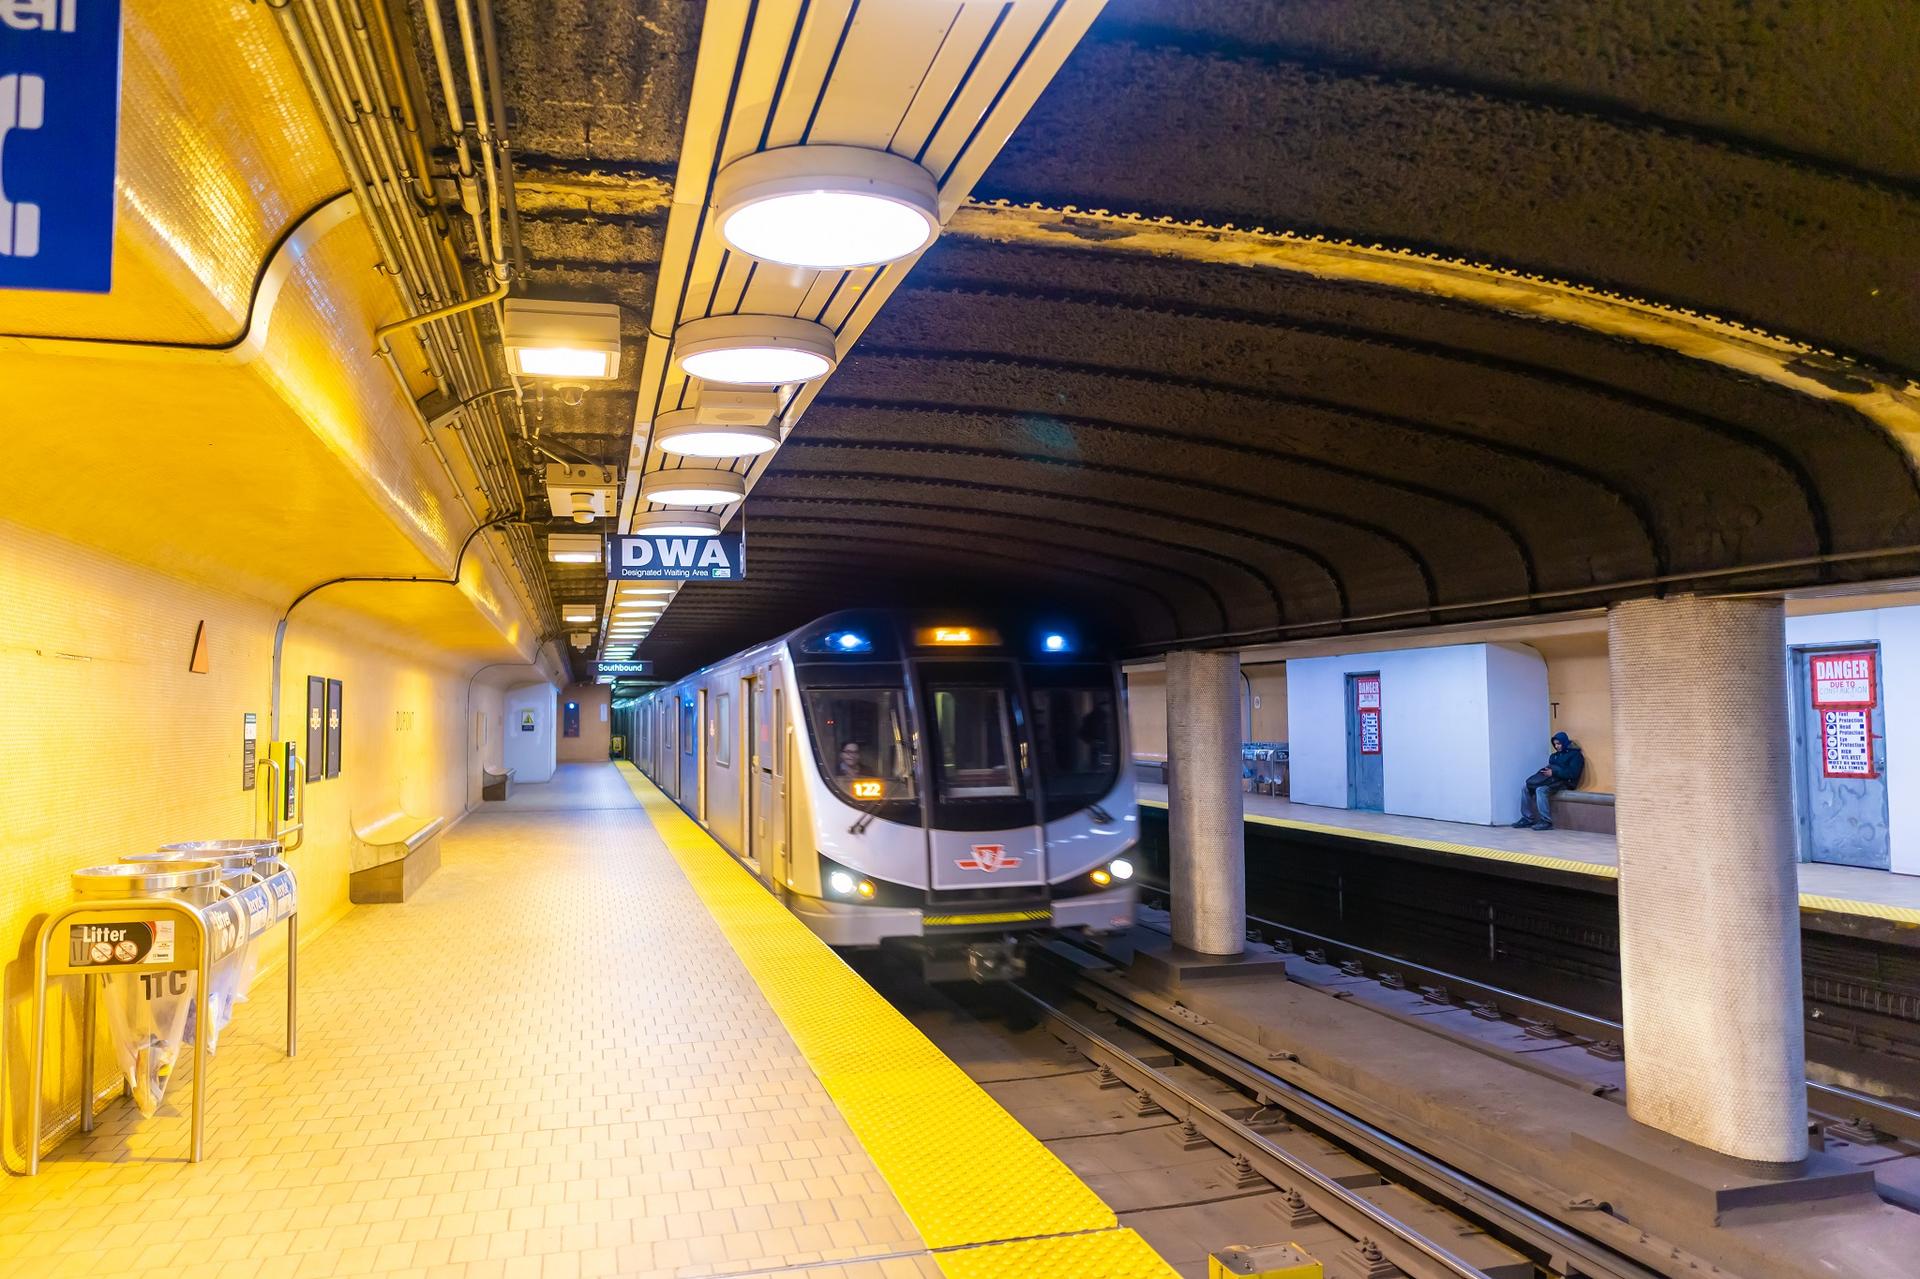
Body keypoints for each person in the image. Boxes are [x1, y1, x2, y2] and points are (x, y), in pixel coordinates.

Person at [1513, 732, 1583, 831]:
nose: (1557, 746)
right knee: (1525, 788)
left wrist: (1554, 772)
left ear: (1564, 742)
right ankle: (1527, 818)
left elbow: (1573, 773)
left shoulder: (1575, 755)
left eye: (1559, 744)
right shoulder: (1554, 756)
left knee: (1541, 790)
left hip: (1566, 782)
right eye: (1555, 744)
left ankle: (1546, 821)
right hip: (1553, 780)